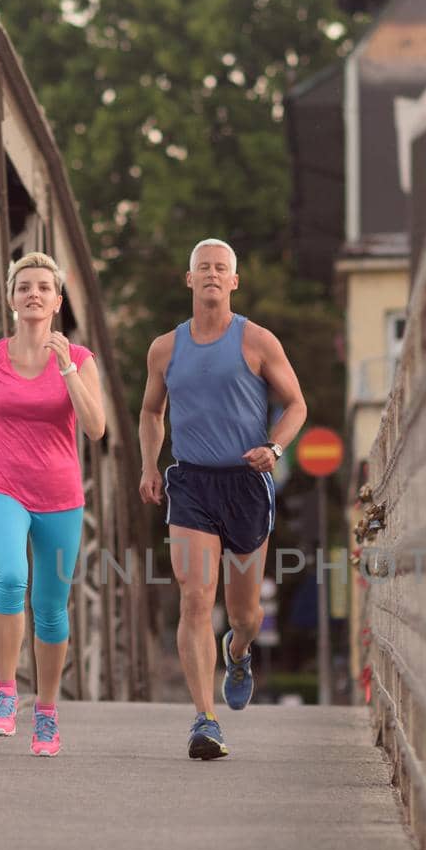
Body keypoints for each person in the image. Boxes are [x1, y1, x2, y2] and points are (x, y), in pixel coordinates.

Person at [138, 238, 307, 760]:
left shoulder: (256, 341)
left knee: (245, 614)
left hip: (245, 483)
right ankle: (205, 721)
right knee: (194, 598)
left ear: (234, 281)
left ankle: (238, 652)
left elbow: (297, 405)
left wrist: (275, 447)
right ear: (188, 280)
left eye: (221, 269)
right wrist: (150, 465)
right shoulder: (165, 348)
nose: (212, 274)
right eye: (203, 268)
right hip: (190, 483)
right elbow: (150, 412)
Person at [0, 252, 107, 754]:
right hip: (2, 487)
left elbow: (96, 428)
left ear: (58, 301)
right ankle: (5, 693)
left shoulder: (81, 360)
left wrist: (66, 367)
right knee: (9, 576)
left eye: (44, 287)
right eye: (24, 286)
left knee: (50, 609)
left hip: (60, 497)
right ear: (10, 298)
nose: (33, 294)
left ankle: (46, 711)